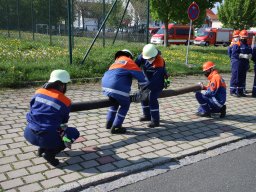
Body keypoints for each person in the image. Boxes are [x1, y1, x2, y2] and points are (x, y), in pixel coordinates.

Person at [24, 70, 80, 166]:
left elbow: (32, 108)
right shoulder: (65, 101)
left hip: (29, 133)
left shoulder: (38, 92)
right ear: (62, 85)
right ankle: (50, 153)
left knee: (45, 127)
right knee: (74, 133)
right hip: (47, 137)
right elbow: (63, 122)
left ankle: (42, 149)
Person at [102, 49, 148, 134]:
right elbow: (141, 76)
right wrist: (145, 88)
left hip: (105, 86)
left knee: (114, 103)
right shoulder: (129, 61)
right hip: (117, 87)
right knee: (125, 105)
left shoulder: (116, 62)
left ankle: (109, 123)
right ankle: (116, 127)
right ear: (130, 56)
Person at [135, 44, 169, 127]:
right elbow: (135, 65)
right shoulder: (144, 55)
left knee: (152, 98)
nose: (149, 60)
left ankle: (155, 120)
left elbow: (154, 81)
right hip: (146, 80)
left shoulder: (159, 64)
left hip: (157, 82)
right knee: (143, 97)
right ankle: (147, 116)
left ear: (155, 55)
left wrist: (145, 89)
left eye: (150, 59)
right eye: (147, 58)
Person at [230, 30, 252, 97]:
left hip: (244, 63)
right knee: (236, 77)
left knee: (242, 77)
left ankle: (240, 91)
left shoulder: (247, 45)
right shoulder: (237, 44)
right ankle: (233, 91)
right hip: (237, 63)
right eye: (243, 37)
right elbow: (234, 54)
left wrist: (250, 55)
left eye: (245, 37)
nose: (244, 39)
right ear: (240, 37)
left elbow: (250, 51)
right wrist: (243, 55)